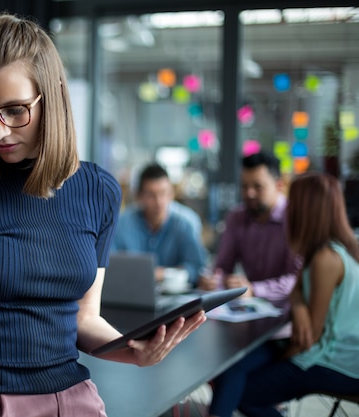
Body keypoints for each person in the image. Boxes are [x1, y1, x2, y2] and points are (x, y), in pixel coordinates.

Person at [0, 13, 205, 417]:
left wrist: (134, 352)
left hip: (77, 395)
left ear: (52, 97)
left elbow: (84, 318)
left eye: (14, 111)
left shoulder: (98, 191)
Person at [237, 171, 359, 416]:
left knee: (244, 393)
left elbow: (309, 339)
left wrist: (282, 359)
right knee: (249, 372)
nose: (288, 209)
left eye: (292, 203)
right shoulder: (336, 249)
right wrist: (300, 306)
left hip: (335, 363)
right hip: (345, 359)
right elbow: (296, 292)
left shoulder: (325, 259)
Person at [200, 151, 300, 417]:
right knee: (214, 363)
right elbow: (223, 265)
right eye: (245, 186)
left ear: (279, 184)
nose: (250, 193)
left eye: (258, 186)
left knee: (231, 373)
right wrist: (214, 279)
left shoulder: (296, 218)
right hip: (244, 325)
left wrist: (255, 289)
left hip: (283, 330)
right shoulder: (237, 216)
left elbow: (298, 281)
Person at [112, 164, 207, 287]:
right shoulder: (121, 224)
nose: (158, 201)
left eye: (163, 193)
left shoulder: (185, 224)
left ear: (171, 194)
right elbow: (110, 265)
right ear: (139, 196)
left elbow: (197, 268)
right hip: (131, 291)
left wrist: (166, 273)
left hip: (175, 297)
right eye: (151, 195)